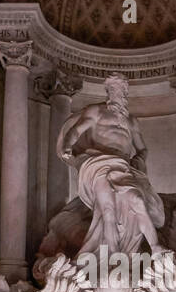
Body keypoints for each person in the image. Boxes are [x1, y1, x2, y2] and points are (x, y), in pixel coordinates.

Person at [56, 74, 165, 258]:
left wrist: (138, 161)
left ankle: (155, 247)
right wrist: (67, 145)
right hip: (98, 163)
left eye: (123, 90)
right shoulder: (96, 111)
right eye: (115, 89)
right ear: (108, 92)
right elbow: (76, 130)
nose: (119, 93)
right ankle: (113, 257)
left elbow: (142, 148)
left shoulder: (131, 121)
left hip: (122, 166)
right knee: (107, 210)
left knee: (137, 201)